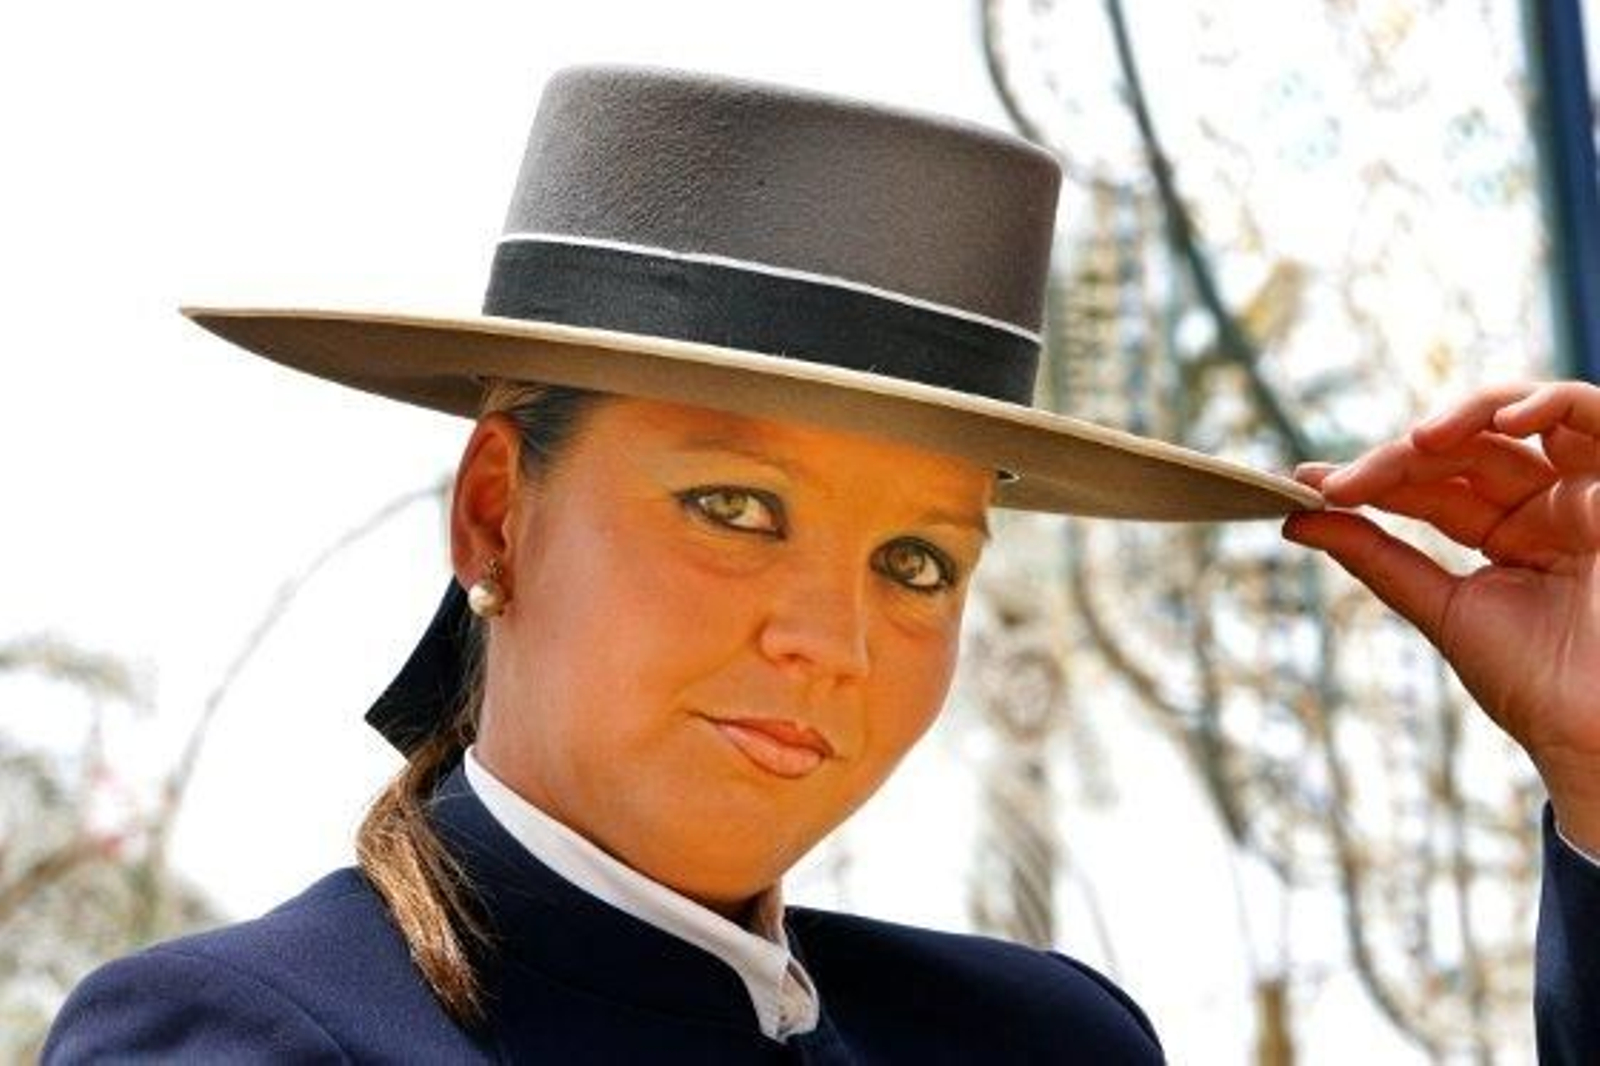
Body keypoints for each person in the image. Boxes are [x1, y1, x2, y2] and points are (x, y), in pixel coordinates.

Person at [40, 64, 1599, 1064]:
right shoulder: (249, 1038)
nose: (830, 639)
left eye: (918, 561)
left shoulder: (1041, 1042)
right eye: (734, 507)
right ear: (495, 509)